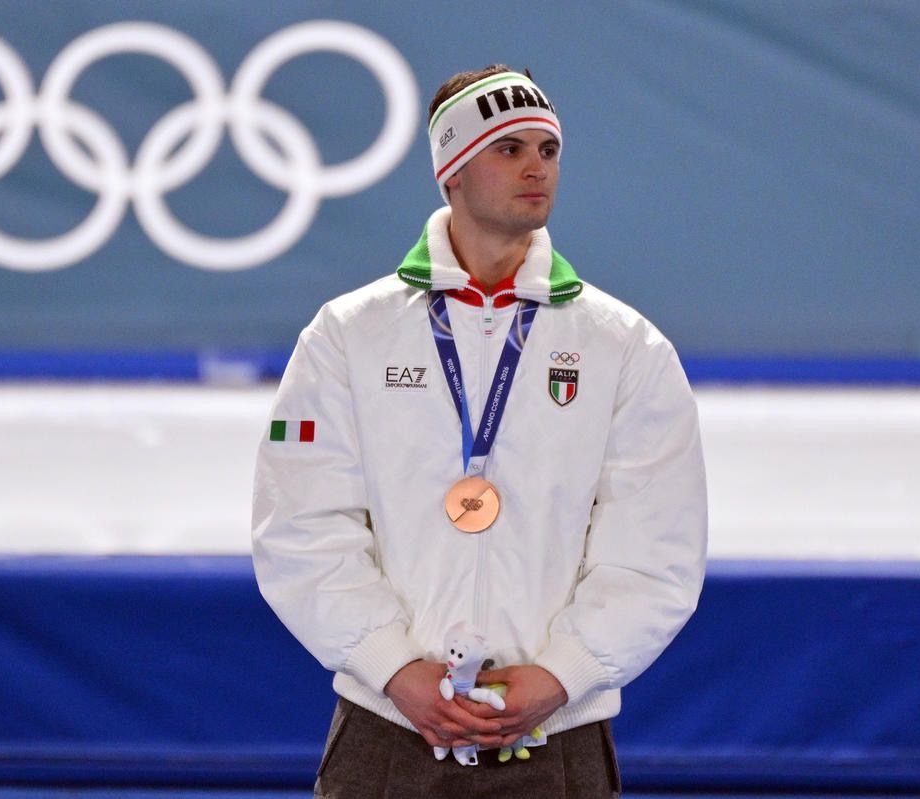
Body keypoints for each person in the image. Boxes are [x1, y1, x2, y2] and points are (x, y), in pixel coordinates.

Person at [251, 64, 707, 798]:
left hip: (558, 739)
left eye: (548, 150)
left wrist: (561, 675)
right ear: (451, 171)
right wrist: (395, 669)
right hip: (387, 733)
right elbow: (300, 527)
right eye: (509, 149)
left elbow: (657, 547)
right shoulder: (347, 335)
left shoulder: (625, 346)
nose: (537, 167)